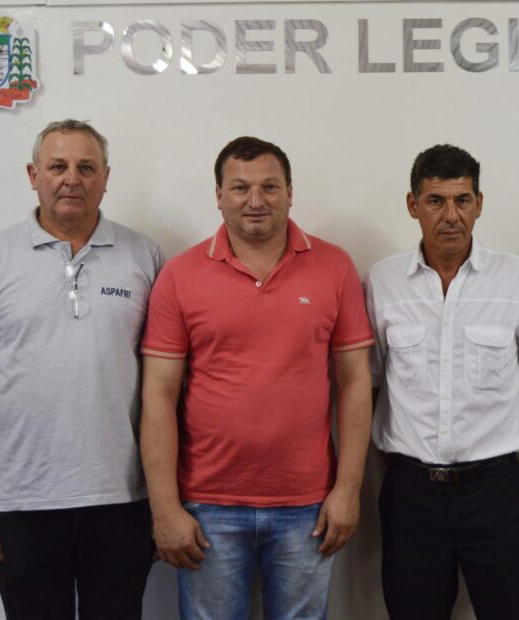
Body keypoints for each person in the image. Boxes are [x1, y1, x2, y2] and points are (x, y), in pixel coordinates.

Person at [140, 136, 374, 620]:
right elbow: (158, 395)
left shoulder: (334, 267)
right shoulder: (180, 275)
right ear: (219, 195)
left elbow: (355, 383)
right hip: (207, 505)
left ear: (289, 192)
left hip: (308, 506)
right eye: (240, 187)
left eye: (269, 186)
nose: (255, 200)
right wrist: (165, 508)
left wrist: (348, 489)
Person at [0, 119, 162, 619]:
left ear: (106, 177)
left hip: (122, 501)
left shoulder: (144, 257)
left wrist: (166, 502)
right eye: (58, 166)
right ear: (33, 174)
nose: (71, 179)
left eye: (87, 167)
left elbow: (166, 390)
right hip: (22, 505)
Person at [365, 144, 519, 620]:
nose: (451, 215)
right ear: (413, 205)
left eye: (463, 200)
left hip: (495, 489)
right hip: (410, 492)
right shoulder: (382, 283)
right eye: (436, 201)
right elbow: (367, 385)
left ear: (479, 204)